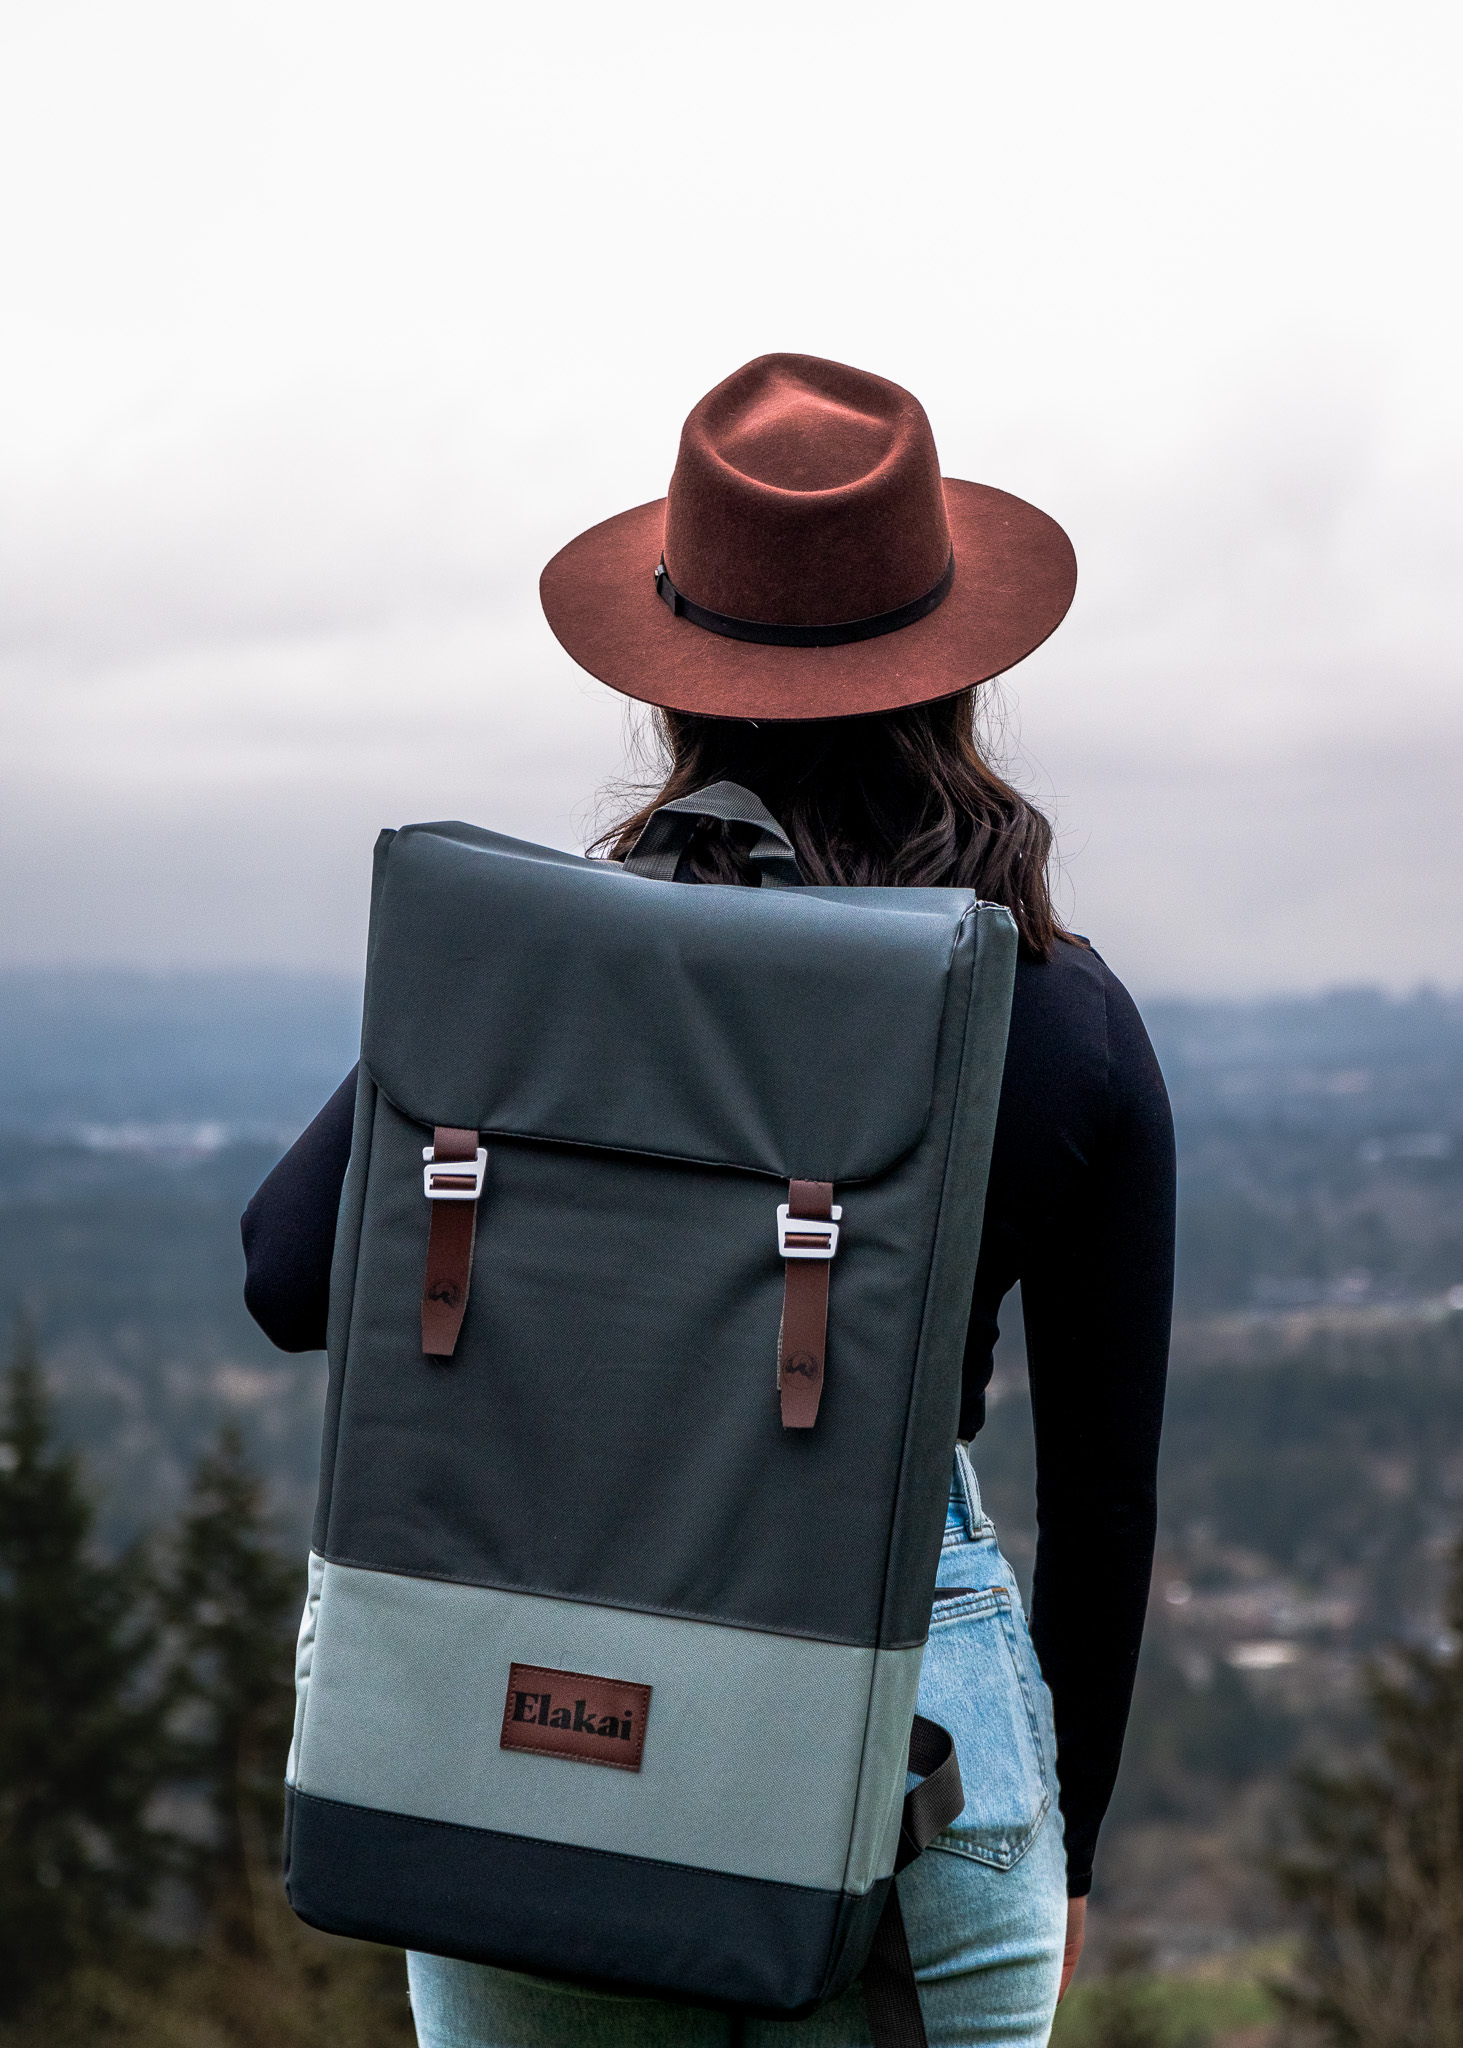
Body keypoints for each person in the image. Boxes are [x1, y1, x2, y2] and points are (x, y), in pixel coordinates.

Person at [243, 354, 1174, 2048]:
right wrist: (1076, 1846)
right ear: (950, 669)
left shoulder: (540, 978)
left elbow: (286, 1273)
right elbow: (1106, 1502)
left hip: (525, 1727)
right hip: (914, 1751)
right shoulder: (1059, 1012)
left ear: (676, 671)